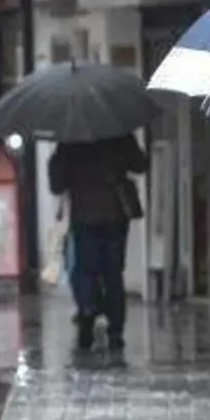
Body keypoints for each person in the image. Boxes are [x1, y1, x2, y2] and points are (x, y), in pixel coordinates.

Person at [48, 134, 147, 352]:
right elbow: (141, 165)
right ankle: (115, 330)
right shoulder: (120, 134)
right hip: (115, 213)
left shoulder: (70, 139)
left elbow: (56, 184)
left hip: (84, 214)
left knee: (86, 268)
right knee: (114, 272)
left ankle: (88, 310)